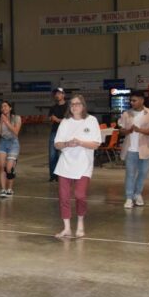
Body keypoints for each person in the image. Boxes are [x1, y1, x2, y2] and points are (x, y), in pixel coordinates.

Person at [53, 95, 101, 239]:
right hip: (65, 165)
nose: (75, 106)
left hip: (84, 165)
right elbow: (57, 144)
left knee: (80, 195)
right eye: (72, 104)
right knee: (64, 197)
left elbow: (96, 144)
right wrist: (67, 144)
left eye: (78, 104)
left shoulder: (91, 121)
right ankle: (66, 228)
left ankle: (80, 223)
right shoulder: (65, 122)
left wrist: (80, 142)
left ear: (83, 106)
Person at [118, 91, 149, 209]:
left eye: (134, 100)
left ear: (141, 100)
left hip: (145, 149)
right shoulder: (126, 114)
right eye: (131, 100)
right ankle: (129, 197)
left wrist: (140, 130)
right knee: (130, 174)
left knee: (143, 173)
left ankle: (138, 194)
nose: (132, 102)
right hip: (130, 149)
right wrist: (128, 131)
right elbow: (121, 131)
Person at [0, 100, 22, 198]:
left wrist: (6, 122)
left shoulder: (17, 118)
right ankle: (3, 189)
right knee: (2, 167)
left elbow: (16, 132)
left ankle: (10, 188)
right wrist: (0, 123)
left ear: (10, 108)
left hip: (13, 143)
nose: (4, 108)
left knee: (9, 168)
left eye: (6, 106)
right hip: (2, 143)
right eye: (2, 107)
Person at [48, 87, 67, 182]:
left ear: (63, 95)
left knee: (63, 155)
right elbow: (50, 118)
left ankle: (62, 175)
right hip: (54, 132)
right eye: (56, 93)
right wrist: (52, 119)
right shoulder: (53, 107)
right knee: (52, 155)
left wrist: (58, 120)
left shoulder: (68, 107)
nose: (57, 95)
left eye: (59, 93)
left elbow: (69, 120)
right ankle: (53, 175)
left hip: (66, 134)